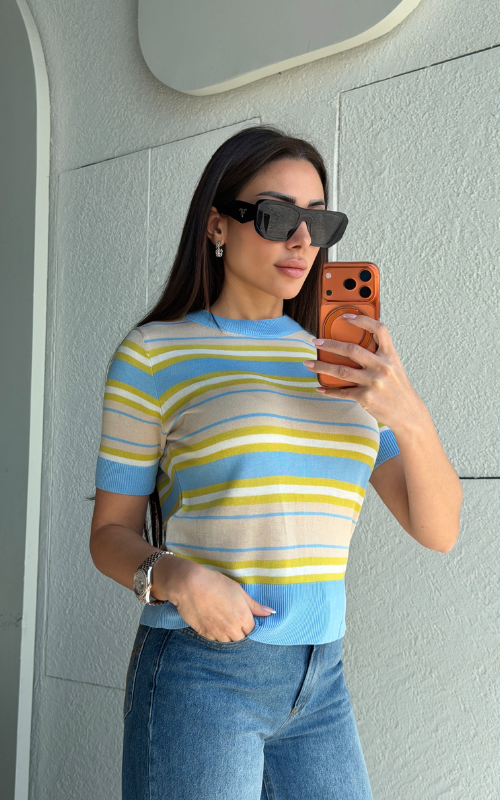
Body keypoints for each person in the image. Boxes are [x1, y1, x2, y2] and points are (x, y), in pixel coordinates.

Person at [89, 125, 462, 800]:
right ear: (217, 226)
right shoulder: (154, 354)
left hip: (322, 680)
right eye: (277, 217)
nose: (302, 241)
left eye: (318, 221)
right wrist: (176, 576)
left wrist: (407, 411)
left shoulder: (340, 363)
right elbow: (109, 534)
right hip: (204, 672)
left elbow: (438, 530)